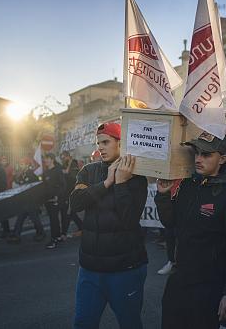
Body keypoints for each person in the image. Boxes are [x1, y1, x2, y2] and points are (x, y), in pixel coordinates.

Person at [155, 132, 226, 329]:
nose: (198, 159)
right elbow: (170, 223)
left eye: (206, 154)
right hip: (180, 280)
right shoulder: (188, 185)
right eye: (196, 153)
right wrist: (163, 196)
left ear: (222, 158)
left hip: (211, 286)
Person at [70, 122, 148, 329]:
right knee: (83, 323)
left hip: (125, 269)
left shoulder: (136, 175)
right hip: (90, 270)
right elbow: (75, 203)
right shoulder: (88, 171)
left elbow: (129, 220)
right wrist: (106, 183)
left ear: (121, 143)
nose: (101, 147)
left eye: (106, 142)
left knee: (130, 323)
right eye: (98, 143)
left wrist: (121, 182)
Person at [7, 157, 46, 243]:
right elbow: (20, 184)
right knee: (20, 217)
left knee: (34, 218)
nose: (21, 165)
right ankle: (16, 235)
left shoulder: (31, 174)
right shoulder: (23, 173)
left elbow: (35, 187)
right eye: (20, 164)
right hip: (24, 200)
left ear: (27, 165)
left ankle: (41, 233)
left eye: (22, 164)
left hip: (31, 200)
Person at [42, 153, 67, 249]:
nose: (45, 161)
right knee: (54, 219)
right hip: (48, 199)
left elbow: (63, 185)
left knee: (53, 220)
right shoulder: (45, 172)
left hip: (56, 199)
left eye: (47, 159)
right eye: (45, 159)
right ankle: (57, 237)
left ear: (52, 159)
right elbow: (44, 186)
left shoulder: (57, 170)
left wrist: (57, 195)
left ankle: (53, 240)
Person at [60, 150, 83, 239]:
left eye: (64, 157)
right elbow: (64, 172)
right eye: (62, 157)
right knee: (71, 212)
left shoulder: (74, 163)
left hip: (73, 191)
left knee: (68, 212)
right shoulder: (65, 164)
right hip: (66, 192)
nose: (63, 159)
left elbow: (73, 176)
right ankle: (82, 227)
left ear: (68, 156)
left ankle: (64, 233)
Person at [0, 155, 14, 237]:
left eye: (4, 160)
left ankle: (6, 228)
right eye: (2, 160)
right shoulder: (0, 168)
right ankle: (4, 225)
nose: (3, 161)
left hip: (7, 190)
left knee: (5, 210)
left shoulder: (10, 168)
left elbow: (12, 178)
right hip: (2, 190)